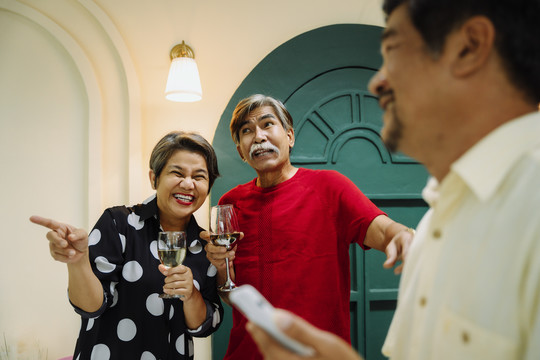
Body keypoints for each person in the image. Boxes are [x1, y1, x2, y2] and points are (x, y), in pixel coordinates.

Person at [247, 0, 540, 359]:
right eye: (247, 130)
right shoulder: (438, 219)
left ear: (470, 46)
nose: (377, 81)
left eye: (394, 51)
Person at [204, 94, 415, 359]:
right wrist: (221, 266)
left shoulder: (330, 187)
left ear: (289, 136)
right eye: (247, 131)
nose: (258, 136)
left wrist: (401, 235)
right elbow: (230, 294)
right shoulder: (230, 204)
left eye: (268, 124)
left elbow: (383, 230)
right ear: (240, 152)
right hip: (247, 352)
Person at [30, 131, 224, 360]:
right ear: (154, 178)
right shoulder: (119, 223)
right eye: (177, 173)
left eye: (199, 176)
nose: (188, 184)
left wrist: (191, 295)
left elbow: (206, 326)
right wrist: (78, 262)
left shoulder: (205, 246)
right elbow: (91, 306)